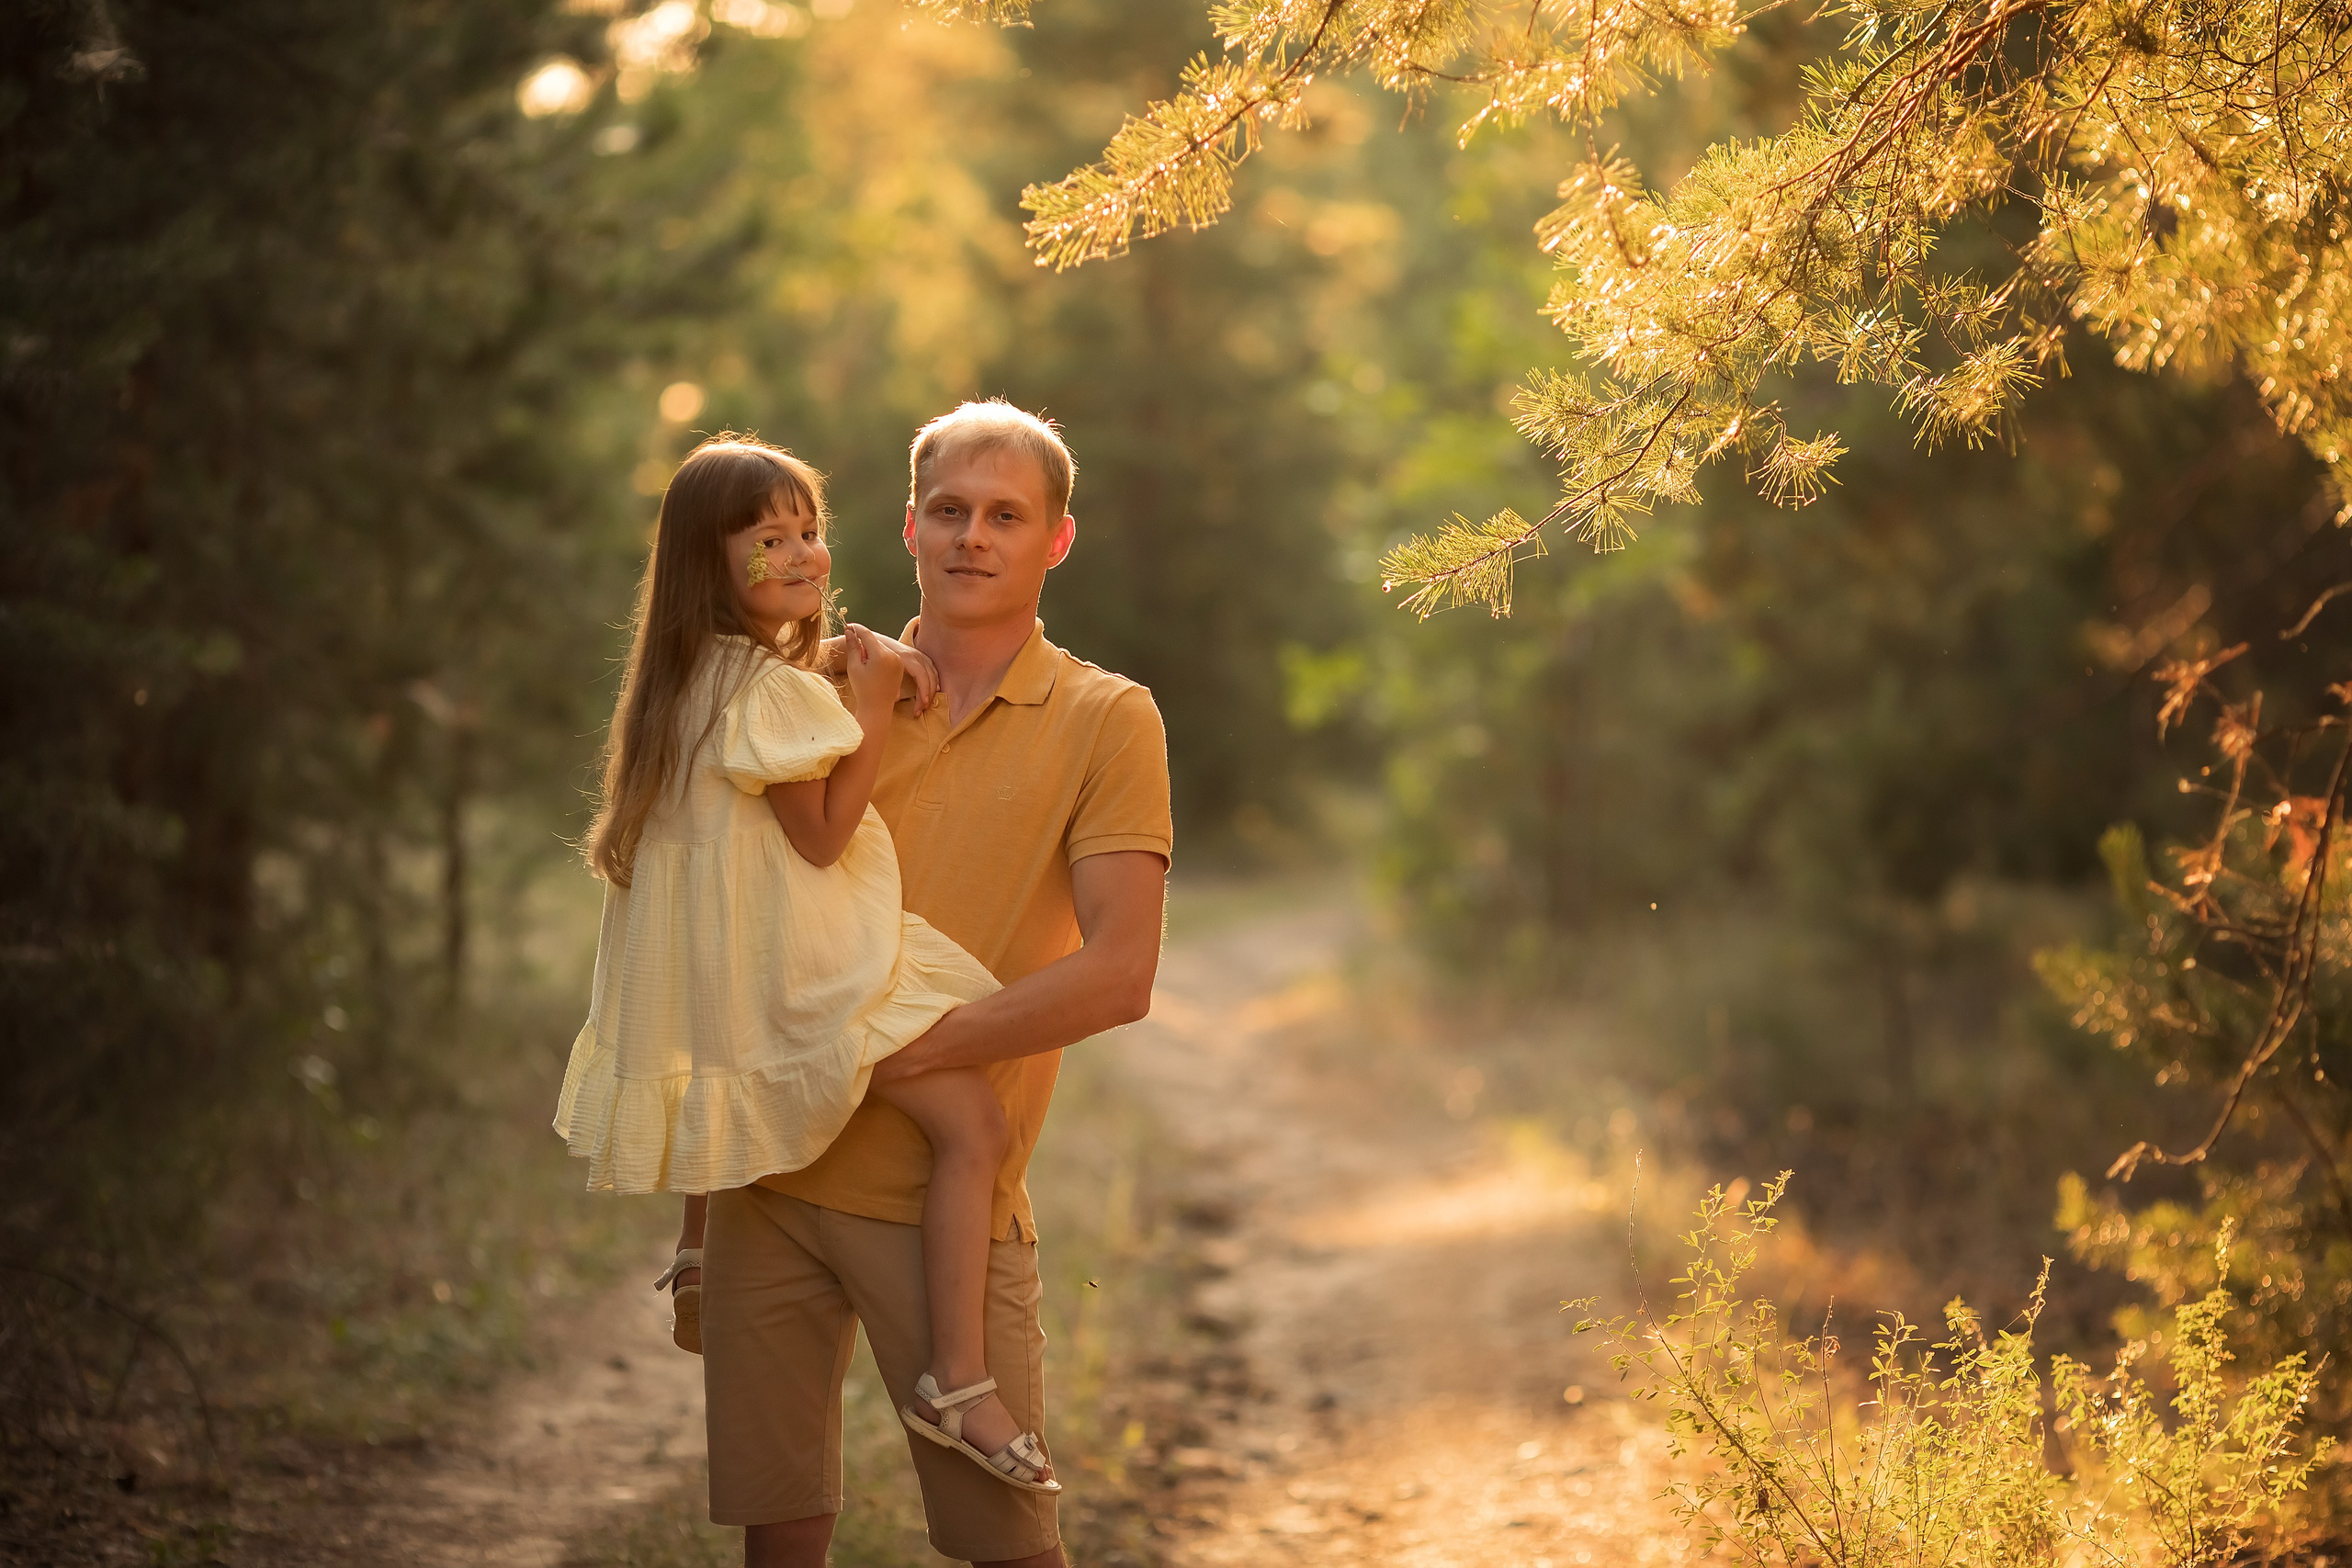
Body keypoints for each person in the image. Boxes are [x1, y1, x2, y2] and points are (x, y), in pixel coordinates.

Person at [699, 400, 1171, 1568]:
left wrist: (911, 1051)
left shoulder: (1107, 719)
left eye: (1006, 516)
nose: (973, 537)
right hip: (768, 1176)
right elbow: (719, 920)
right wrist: (699, 1207)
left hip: (941, 1199)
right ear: (909, 525)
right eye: (950, 510)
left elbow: (1119, 974)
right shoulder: (809, 689)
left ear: (1056, 540)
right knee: (778, 1528)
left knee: (1007, 1543)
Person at [553, 432, 1060, 1500]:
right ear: (709, 563)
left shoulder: (687, 679)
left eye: (808, 532)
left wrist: (829, 666)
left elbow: (766, 713)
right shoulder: (771, 693)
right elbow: (823, 835)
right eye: (767, 540)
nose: (798, 555)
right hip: (802, 968)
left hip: (724, 983)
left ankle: (699, 1245)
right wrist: (868, 710)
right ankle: (958, 1378)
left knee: (734, 1086)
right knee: (973, 1124)